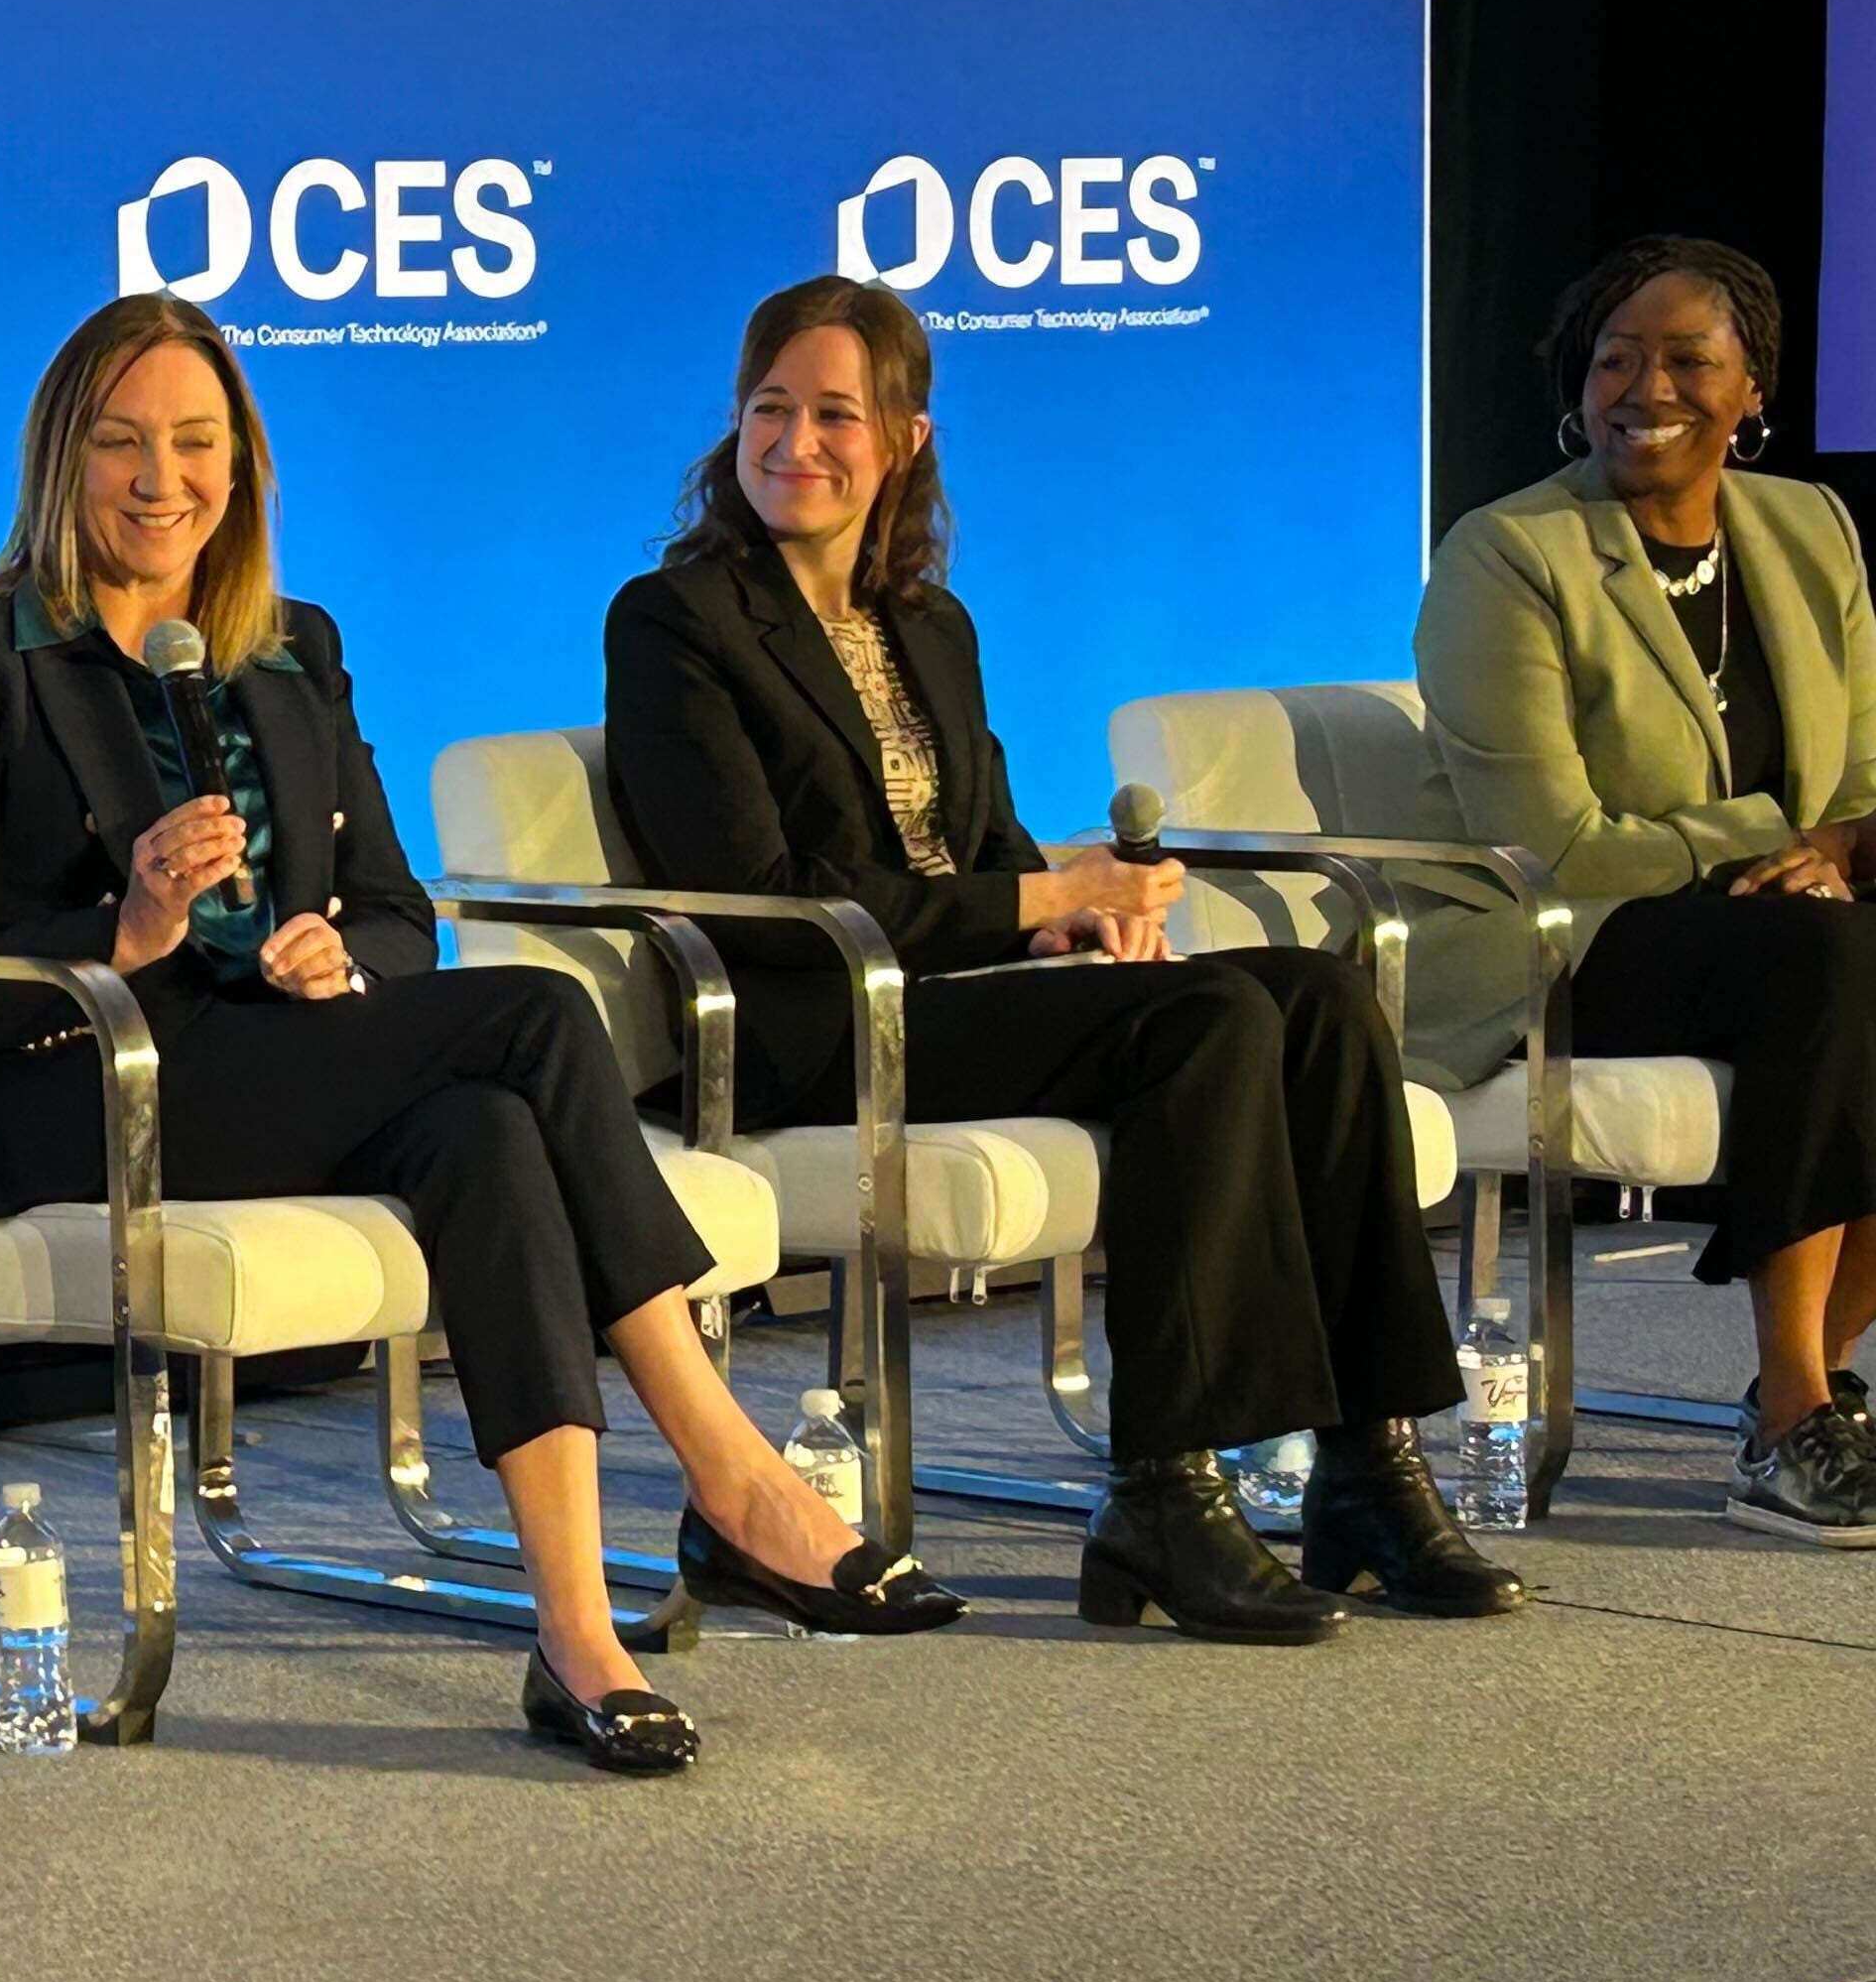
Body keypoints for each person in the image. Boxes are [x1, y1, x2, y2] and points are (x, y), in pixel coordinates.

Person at [0, 294, 960, 1778]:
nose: (159, 480)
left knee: (487, 1128)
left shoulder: (291, 648)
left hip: (288, 1060)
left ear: (241, 470)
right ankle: (727, 1466)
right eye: (121, 444)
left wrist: (339, 957)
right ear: (63, 460)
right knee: (536, 1010)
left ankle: (577, 1633)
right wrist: (122, 933)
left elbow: (394, 914)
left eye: (196, 444)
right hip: (74, 1090)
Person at [606, 275, 1518, 1642]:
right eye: (769, 410)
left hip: (955, 996)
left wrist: (1082, 905)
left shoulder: (931, 624)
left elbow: (983, 842)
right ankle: (1163, 1486)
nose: (797, 442)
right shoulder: (676, 620)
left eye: (836, 413)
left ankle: (1365, 1464)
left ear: (905, 439)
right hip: (807, 1021)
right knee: (1207, 1019)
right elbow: (758, 896)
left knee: (1317, 1000)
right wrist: (1035, 901)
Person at [1414, 236, 1876, 1542]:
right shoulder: (1510, 555)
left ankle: (1813, 1387)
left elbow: (1863, 777)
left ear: (1749, 392)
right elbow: (1553, 840)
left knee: (1832, 949)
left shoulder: (1807, 527)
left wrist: (1841, 849)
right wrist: (1782, 842)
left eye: (1686, 360)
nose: (1646, 386)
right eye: (1616, 358)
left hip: (1774, 940)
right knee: (1825, 957)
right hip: (1562, 946)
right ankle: (1792, 1414)